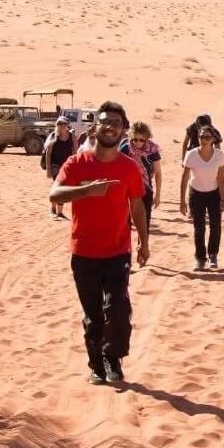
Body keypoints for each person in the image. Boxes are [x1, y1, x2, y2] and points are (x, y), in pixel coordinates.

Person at [49, 101, 149, 385]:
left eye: (116, 123)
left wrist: (144, 241)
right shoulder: (76, 164)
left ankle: (112, 357)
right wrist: (88, 190)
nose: (110, 127)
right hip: (84, 252)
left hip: (118, 251)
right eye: (105, 122)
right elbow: (55, 195)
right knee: (93, 315)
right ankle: (96, 365)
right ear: (95, 127)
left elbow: (137, 207)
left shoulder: (129, 168)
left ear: (123, 130)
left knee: (117, 307)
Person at [179, 125, 224, 270]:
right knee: (198, 228)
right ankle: (200, 258)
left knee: (215, 226)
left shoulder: (219, 155)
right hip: (196, 193)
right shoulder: (191, 154)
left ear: (213, 139)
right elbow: (185, 177)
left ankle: (213, 255)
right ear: (197, 138)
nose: (204, 140)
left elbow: (221, 178)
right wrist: (182, 201)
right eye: (201, 137)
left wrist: (222, 198)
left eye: (207, 137)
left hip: (213, 194)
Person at [127, 121, 162, 227]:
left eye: (141, 140)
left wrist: (158, 195)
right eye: (135, 139)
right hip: (128, 189)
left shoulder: (153, 150)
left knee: (144, 222)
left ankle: (142, 244)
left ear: (147, 138)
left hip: (146, 189)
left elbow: (158, 173)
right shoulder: (125, 148)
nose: (138, 143)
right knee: (126, 222)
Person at [44, 117, 76, 219]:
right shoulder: (54, 136)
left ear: (67, 125)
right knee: (58, 186)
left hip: (66, 166)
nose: (62, 126)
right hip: (55, 166)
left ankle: (60, 212)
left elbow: (75, 152)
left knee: (63, 187)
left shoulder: (72, 136)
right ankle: (53, 209)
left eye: (64, 124)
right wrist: (48, 170)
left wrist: (74, 166)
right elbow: (48, 154)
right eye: (59, 124)